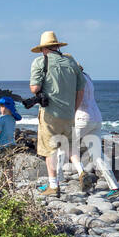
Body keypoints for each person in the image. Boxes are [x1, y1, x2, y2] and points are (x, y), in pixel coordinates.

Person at [28, 30, 84, 197]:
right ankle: (81, 172)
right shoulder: (71, 62)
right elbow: (80, 89)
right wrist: (74, 109)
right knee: (70, 146)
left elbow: (35, 88)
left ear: (44, 48)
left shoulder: (40, 62)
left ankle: (53, 186)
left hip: (50, 113)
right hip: (69, 112)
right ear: (57, 46)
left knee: (49, 149)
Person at [70, 66, 119, 198]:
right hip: (96, 117)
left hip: (81, 117)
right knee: (98, 154)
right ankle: (115, 187)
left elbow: (75, 97)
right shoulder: (87, 76)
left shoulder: (74, 78)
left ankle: (55, 184)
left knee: (64, 146)